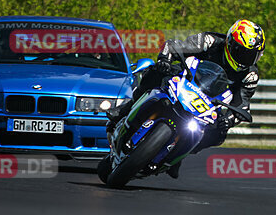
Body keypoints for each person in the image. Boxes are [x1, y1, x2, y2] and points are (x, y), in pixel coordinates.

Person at [106, 19, 265, 178]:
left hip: (210, 101)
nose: (247, 59)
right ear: (230, 44)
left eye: (252, 55)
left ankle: (179, 155)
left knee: (219, 135)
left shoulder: (250, 75)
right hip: (185, 77)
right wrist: (164, 60)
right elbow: (173, 46)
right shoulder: (210, 41)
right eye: (243, 52)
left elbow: (242, 104)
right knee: (155, 72)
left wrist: (229, 120)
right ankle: (125, 109)